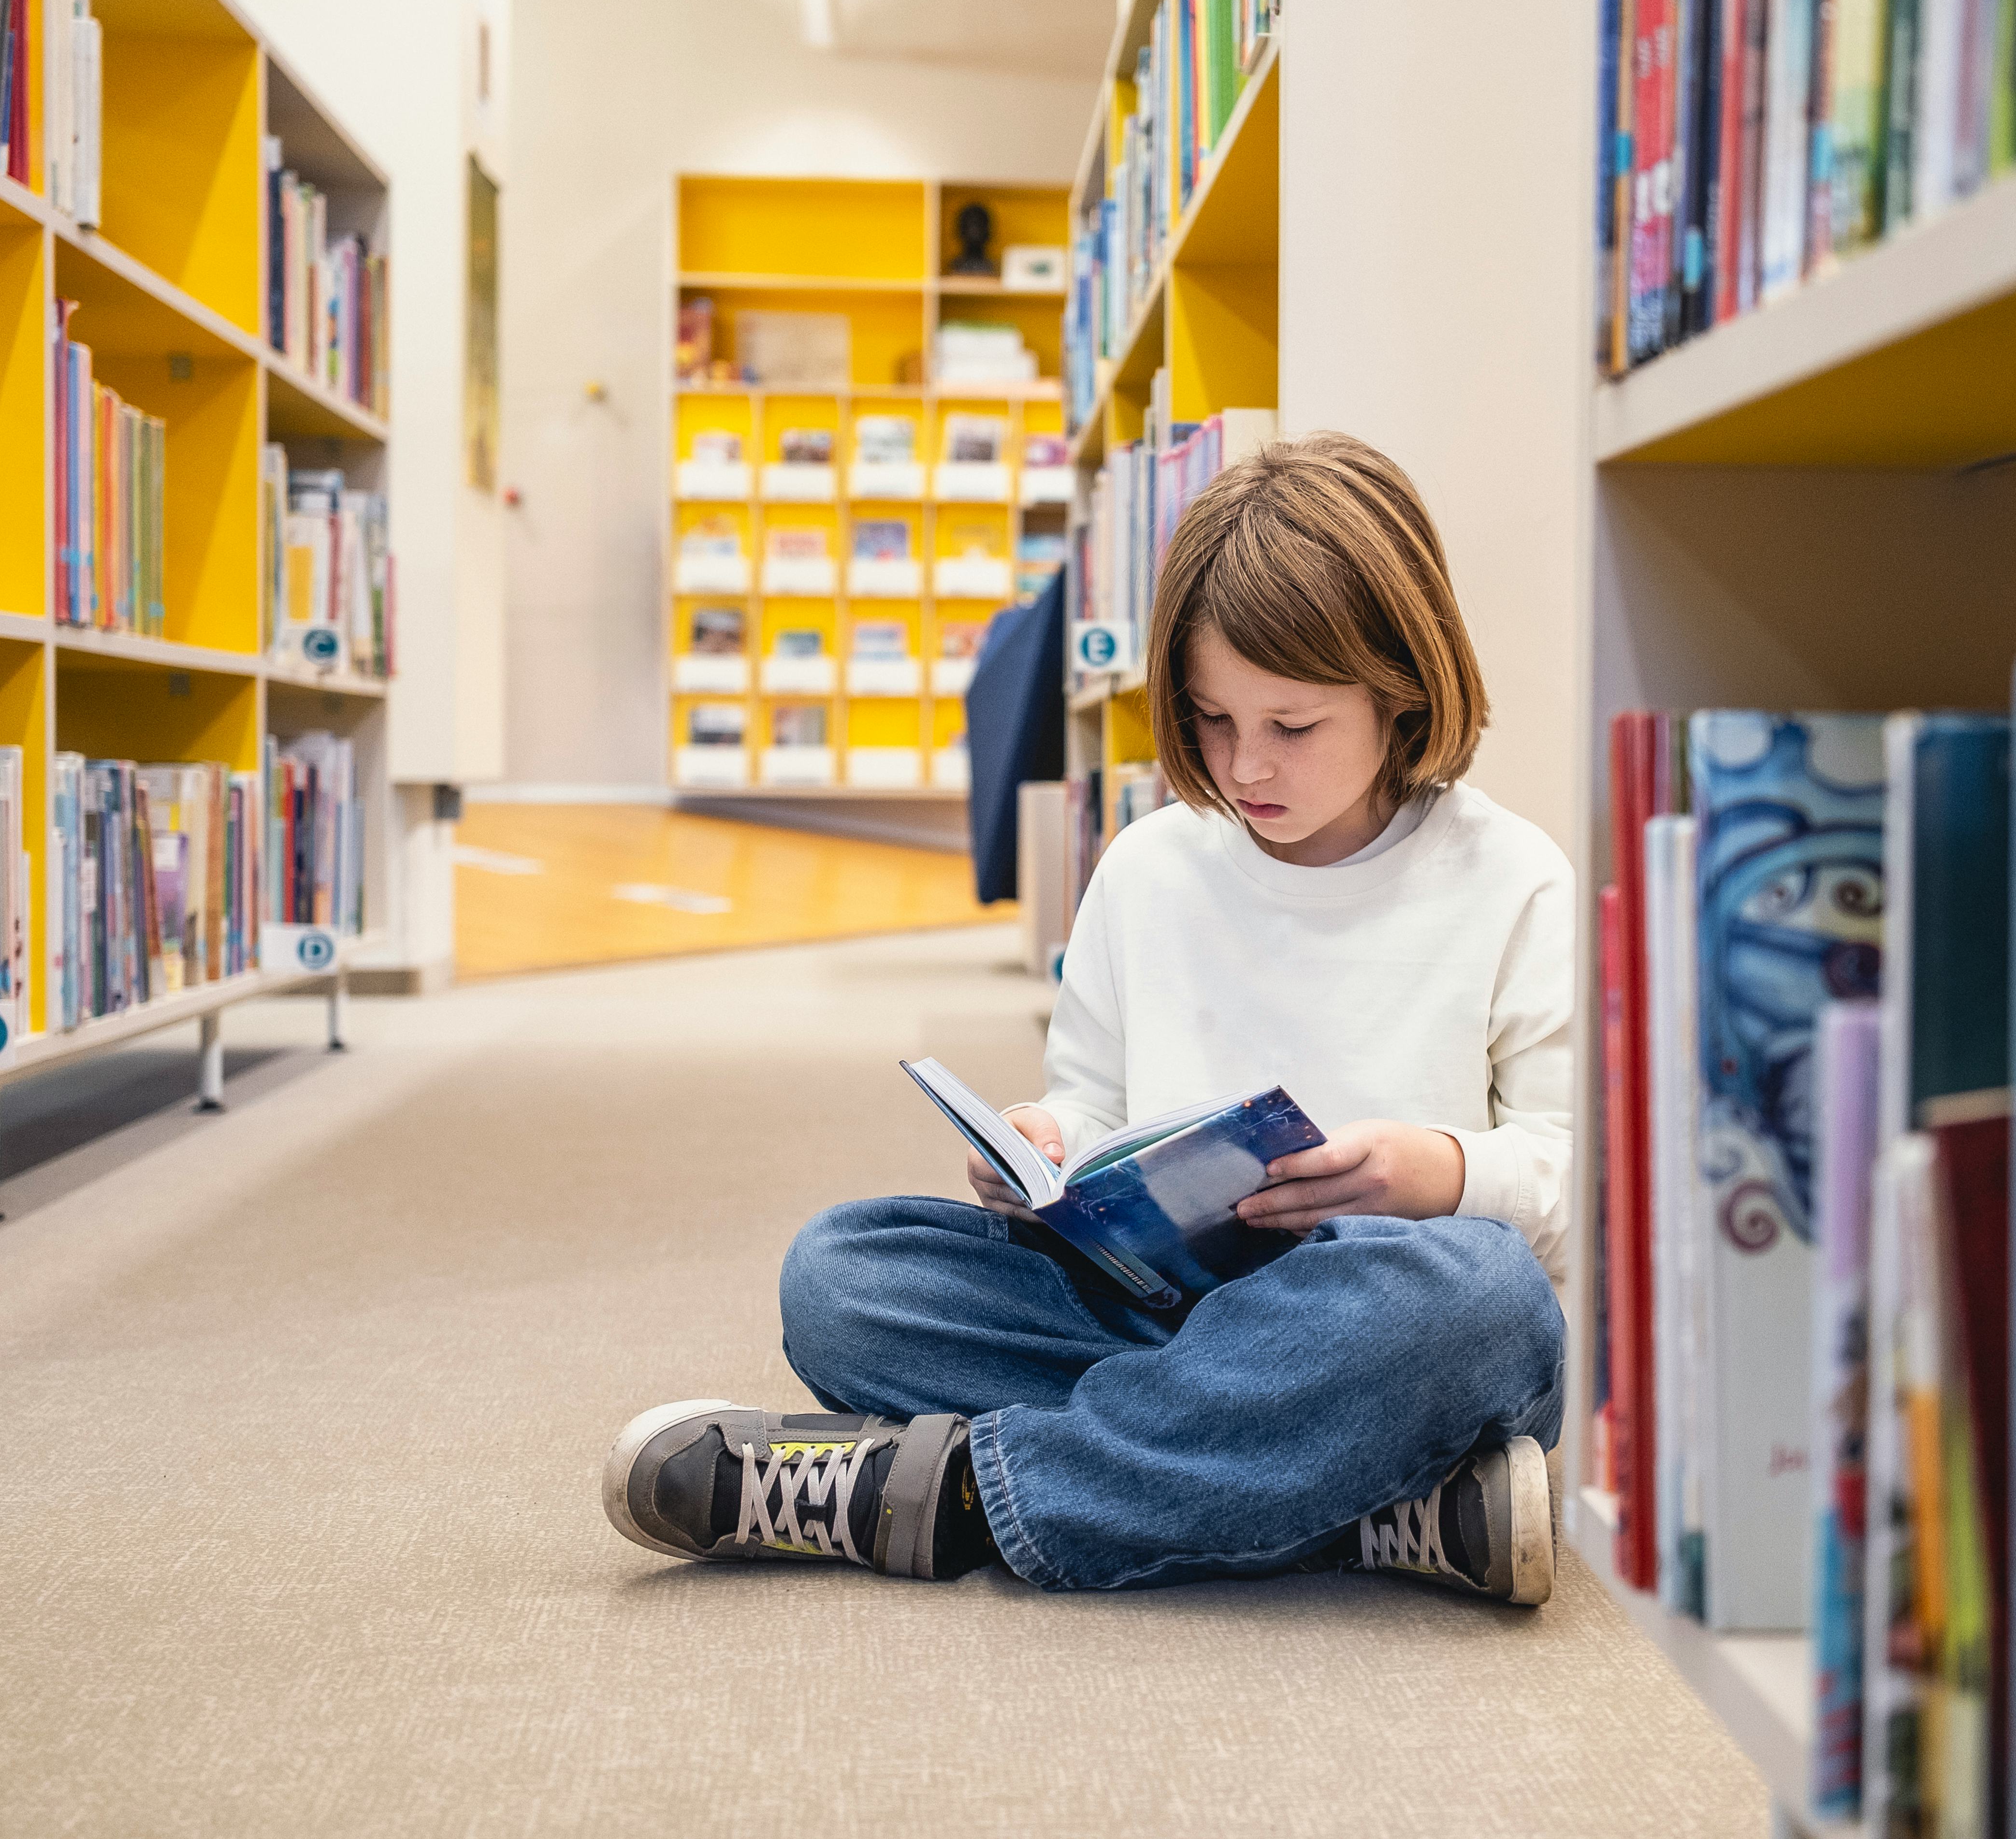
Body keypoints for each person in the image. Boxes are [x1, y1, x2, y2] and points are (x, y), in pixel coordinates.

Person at [602, 433, 1574, 1603]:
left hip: (1373, 1308)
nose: (1242, 764)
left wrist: (1427, 1169)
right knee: (842, 1276)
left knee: (1482, 1303)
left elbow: (1567, 1186)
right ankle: (1369, 1501)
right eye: (1212, 720)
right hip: (1159, 1307)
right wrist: (1044, 1142)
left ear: (1404, 684)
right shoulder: (1152, 865)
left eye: (1292, 725)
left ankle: (949, 1499)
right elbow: (1093, 1097)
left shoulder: (1511, 875)